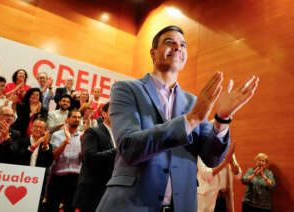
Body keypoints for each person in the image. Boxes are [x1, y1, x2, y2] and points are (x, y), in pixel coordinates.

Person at [96, 25, 259, 212]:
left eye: (183, 44)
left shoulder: (194, 102)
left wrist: (222, 119)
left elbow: (212, 158)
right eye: (169, 42)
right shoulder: (126, 89)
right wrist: (190, 120)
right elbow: (129, 147)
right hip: (131, 204)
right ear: (153, 53)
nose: (177, 47)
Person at [73, 103, 116, 212]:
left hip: (112, 191)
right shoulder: (93, 131)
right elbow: (89, 158)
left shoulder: (121, 135)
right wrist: (117, 151)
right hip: (93, 191)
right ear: (104, 113)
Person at [45, 110, 82, 212]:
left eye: (79, 117)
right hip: (58, 176)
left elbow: (84, 158)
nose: (77, 119)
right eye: (74, 117)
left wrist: (83, 143)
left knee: (70, 208)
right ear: (67, 119)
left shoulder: (82, 136)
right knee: (51, 207)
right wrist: (66, 141)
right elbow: (54, 156)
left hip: (75, 177)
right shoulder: (57, 135)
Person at [197, 139, 242, 212]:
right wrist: (225, 162)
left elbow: (238, 175)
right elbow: (207, 175)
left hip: (224, 197)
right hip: (207, 196)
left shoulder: (229, 152)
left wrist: (231, 162)